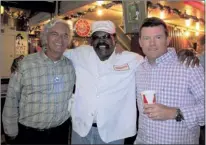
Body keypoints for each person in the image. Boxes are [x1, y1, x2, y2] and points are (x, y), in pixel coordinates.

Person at [64, 20, 198, 144]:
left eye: (106, 36)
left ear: (114, 39)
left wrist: (186, 52)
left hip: (113, 134)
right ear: (90, 41)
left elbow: (157, 56)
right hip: (81, 130)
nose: (101, 41)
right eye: (97, 37)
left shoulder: (133, 60)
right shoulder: (79, 54)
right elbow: (56, 52)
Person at [2, 19, 76, 144]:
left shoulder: (71, 66)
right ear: (45, 37)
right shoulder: (25, 64)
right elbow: (11, 100)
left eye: (65, 35)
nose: (60, 39)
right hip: (30, 136)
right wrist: (10, 132)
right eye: (54, 34)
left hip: (60, 134)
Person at [135, 17, 204, 144]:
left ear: (168, 40)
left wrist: (174, 113)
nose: (152, 43)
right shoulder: (139, 69)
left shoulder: (188, 66)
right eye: (146, 38)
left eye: (158, 37)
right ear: (140, 42)